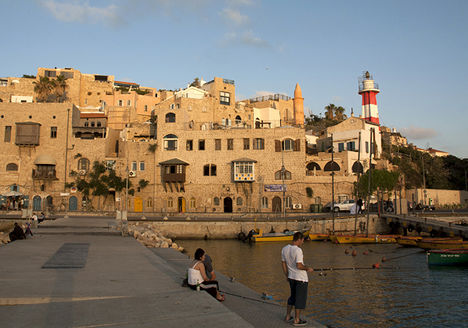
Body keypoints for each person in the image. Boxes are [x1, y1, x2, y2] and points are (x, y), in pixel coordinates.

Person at [281, 231, 314, 327]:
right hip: (301, 279)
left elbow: (283, 263)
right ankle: (296, 320)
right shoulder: (298, 250)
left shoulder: (284, 249)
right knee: (299, 299)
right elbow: (299, 266)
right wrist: (308, 268)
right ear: (299, 239)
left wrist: (286, 275)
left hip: (291, 277)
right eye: (302, 240)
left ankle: (288, 316)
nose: (303, 242)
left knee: (292, 297)